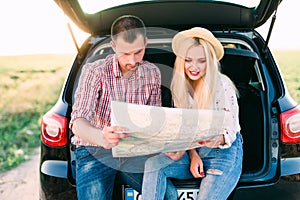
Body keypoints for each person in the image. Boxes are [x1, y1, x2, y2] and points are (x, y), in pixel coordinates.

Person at [70, 15, 176, 200]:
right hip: (95, 151)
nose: (132, 61)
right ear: (113, 47)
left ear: (146, 43)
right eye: (125, 54)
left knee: (169, 195)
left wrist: (164, 143)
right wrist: (102, 137)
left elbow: (153, 119)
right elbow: (78, 121)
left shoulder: (152, 73)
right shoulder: (94, 71)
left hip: (135, 152)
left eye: (138, 52)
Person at [142, 27, 243, 200]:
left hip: (223, 152)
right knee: (153, 164)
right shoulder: (180, 87)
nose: (193, 67)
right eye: (188, 60)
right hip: (196, 149)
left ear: (210, 61)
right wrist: (193, 154)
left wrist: (215, 138)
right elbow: (186, 130)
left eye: (201, 61)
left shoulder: (222, 86)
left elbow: (230, 131)